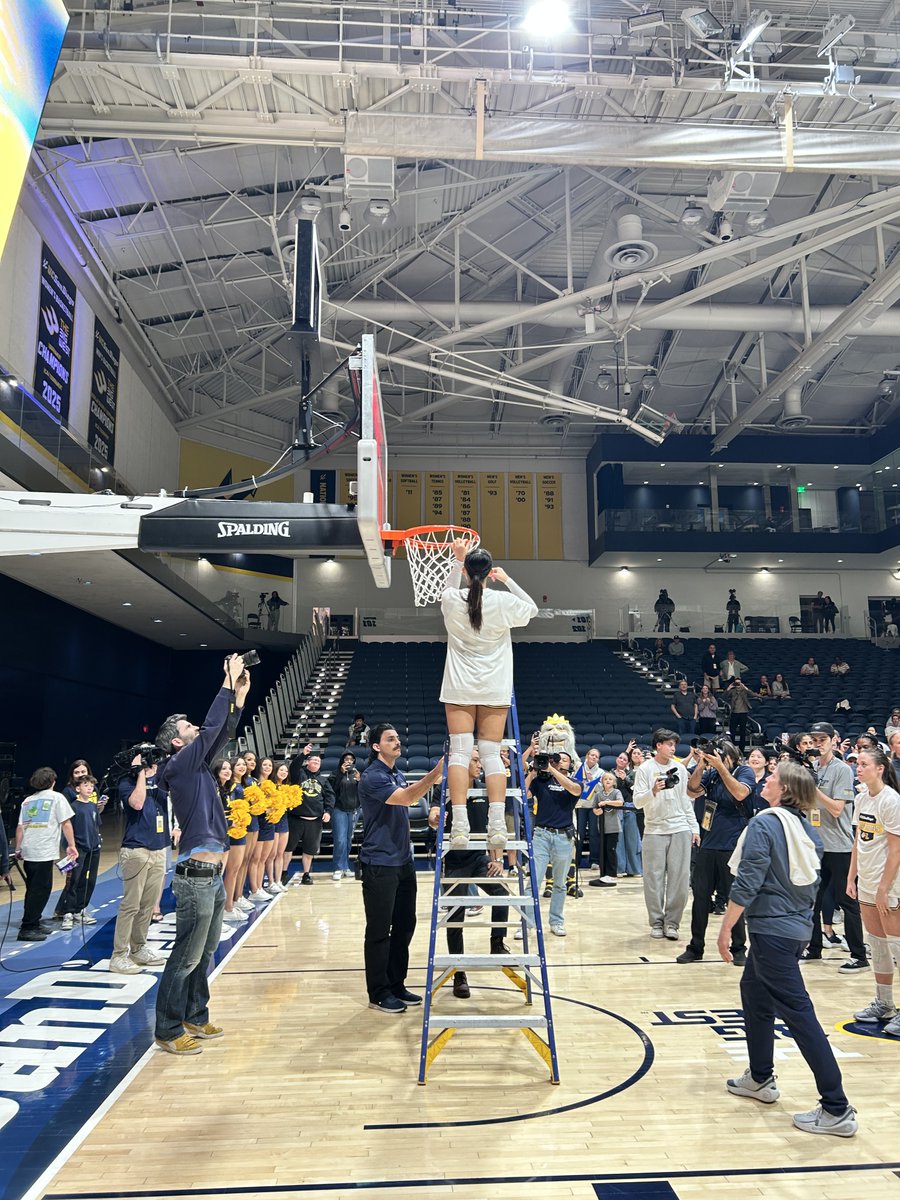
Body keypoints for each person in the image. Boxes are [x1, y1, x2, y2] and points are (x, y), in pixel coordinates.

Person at [719, 760, 858, 1139]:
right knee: (754, 993)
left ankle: (836, 1107)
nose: (766, 779)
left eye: (773, 778)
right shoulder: (805, 828)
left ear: (785, 790)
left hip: (772, 932)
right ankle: (760, 1077)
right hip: (794, 929)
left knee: (799, 1014)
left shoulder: (766, 822)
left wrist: (727, 926)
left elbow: (748, 880)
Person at [152, 655, 250, 1055]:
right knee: (185, 956)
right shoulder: (180, 763)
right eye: (188, 727)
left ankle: (195, 1012)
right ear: (178, 741)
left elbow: (220, 732)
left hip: (210, 876)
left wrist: (239, 696)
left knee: (204, 952)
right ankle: (168, 1029)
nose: (197, 729)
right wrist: (226, 682)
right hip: (193, 874)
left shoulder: (199, 766)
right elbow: (213, 728)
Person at [440, 540, 538, 850]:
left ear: (468, 572)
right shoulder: (502, 601)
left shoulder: (453, 600)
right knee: (492, 755)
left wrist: (457, 561)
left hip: (459, 685)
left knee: (459, 753)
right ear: (488, 572)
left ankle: (459, 825)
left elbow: (446, 590)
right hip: (494, 686)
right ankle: (497, 826)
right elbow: (533, 609)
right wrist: (507, 579)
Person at [359, 724, 444, 1013]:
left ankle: (396, 984)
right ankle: (378, 993)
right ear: (375, 746)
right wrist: (434, 775)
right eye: (390, 739)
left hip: (403, 861)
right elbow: (408, 798)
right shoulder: (372, 776)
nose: (397, 742)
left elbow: (402, 808)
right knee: (380, 931)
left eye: (397, 738)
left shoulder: (395, 772)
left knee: (406, 924)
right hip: (379, 863)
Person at [681, 740, 756, 964]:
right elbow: (691, 791)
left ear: (727, 755)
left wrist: (721, 767)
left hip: (733, 846)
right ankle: (696, 947)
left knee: (735, 898)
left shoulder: (744, 771)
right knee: (700, 898)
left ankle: (739, 948)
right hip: (708, 843)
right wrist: (702, 766)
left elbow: (741, 793)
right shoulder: (711, 773)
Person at [801, 722, 869, 971]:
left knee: (847, 901)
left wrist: (813, 788)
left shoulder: (842, 769)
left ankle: (859, 956)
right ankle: (814, 948)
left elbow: (837, 808)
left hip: (839, 846)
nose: (817, 744)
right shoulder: (813, 768)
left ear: (832, 741)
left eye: (821, 739)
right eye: (813, 740)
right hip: (815, 846)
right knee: (813, 901)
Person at [428, 795, 510, 999]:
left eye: (478, 760)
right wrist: (435, 818)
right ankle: (459, 974)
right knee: (456, 916)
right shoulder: (445, 787)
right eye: (474, 760)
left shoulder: (485, 789)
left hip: (478, 858)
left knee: (502, 893)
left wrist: (497, 859)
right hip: (454, 862)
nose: (478, 764)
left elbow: (494, 827)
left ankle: (497, 943)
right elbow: (432, 818)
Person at [847, 748, 900, 1038]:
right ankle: (885, 1003)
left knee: (896, 946)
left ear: (880, 769)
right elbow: (858, 840)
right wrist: (851, 875)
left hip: (889, 883)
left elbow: (896, 849)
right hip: (866, 880)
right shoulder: (860, 798)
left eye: (864, 764)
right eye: (857, 763)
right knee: (877, 945)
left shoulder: (892, 801)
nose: (858, 768)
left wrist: (883, 887)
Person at [633, 729, 700, 940]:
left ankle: (673, 923)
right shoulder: (644, 769)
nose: (673, 748)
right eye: (669, 744)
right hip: (654, 829)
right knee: (653, 879)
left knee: (680, 879)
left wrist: (694, 827)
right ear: (658, 745)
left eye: (674, 745)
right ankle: (656, 922)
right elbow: (637, 802)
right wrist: (653, 790)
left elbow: (686, 802)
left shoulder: (679, 768)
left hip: (680, 827)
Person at [111, 752, 169, 973]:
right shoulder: (127, 782)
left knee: (148, 904)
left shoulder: (162, 781)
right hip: (136, 849)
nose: (151, 764)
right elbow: (136, 803)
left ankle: (139, 947)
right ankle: (118, 956)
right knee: (131, 905)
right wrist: (139, 774)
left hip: (159, 848)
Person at [14, 767, 78, 941]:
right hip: (42, 851)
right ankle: (27, 927)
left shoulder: (27, 801)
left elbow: (20, 827)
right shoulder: (57, 798)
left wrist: (18, 849)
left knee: (33, 888)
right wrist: (71, 845)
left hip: (28, 850)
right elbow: (66, 823)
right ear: (52, 782)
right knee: (41, 890)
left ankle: (33, 921)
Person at [525, 749, 582, 935]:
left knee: (559, 883)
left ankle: (556, 921)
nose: (561, 761)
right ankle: (527, 923)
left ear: (570, 764)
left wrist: (552, 769)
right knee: (533, 881)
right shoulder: (541, 781)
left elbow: (575, 790)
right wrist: (532, 773)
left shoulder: (574, 782)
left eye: (565, 760)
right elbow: (523, 794)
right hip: (541, 834)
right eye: (558, 759)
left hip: (563, 837)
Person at [59, 774, 103, 931]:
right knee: (74, 880)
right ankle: (68, 912)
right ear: (78, 788)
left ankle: (81, 909)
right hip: (79, 850)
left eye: (91, 785)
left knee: (90, 880)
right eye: (86, 785)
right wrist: (70, 847)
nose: (90, 787)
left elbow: (96, 825)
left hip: (94, 848)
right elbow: (67, 828)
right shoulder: (73, 806)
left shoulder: (92, 806)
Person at [286, 750, 334, 885]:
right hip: (296, 818)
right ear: (307, 762)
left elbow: (330, 797)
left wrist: (328, 811)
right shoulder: (299, 774)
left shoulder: (323, 780)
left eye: (318, 761)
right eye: (314, 760)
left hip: (314, 821)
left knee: (309, 850)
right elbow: (293, 767)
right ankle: (283, 872)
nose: (316, 763)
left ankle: (306, 874)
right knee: (288, 848)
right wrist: (302, 754)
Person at [589, 772, 624, 886]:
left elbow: (620, 802)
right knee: (603, 850)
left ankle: (612, 874)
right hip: (603, 827)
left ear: (614, 782)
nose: (608, 781)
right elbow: (595, 808)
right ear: (602, 781)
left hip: (613, 827)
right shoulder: (598, 794)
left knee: (611, 850)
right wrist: (597, 811)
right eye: (605, 779)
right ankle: (604, 874)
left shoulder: (616, 792)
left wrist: (607, 802)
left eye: (610, 779)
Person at [330, 752, 360, 880]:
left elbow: (363, 792)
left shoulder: (356, 774)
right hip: (339, 809)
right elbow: (331, 790)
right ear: (342, 760)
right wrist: (341, 774)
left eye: (351, 759)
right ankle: (338, 867)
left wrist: (360, 781)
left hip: (353, 810)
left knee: (348, 840)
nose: (349, 761)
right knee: (340, 839)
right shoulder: (335, 773)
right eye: (346, 759)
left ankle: (345, 866)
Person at [572, 747, 602, 871]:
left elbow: (601, 789)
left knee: (594, 834)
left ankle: (594, 860)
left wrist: (592, 781)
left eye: (596, 756)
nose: (594, 757)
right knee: (579, 833)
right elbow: (573, 784)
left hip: (593, 806)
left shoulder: (601, 772)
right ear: (587, 756)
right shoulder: (578, 769)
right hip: (580, 805)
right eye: (592, 755)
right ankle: (576, 860)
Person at [614, 750, 642, 877]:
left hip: (630, 808)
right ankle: (620, 868)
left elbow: (635, 788)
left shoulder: (632, 773)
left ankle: (635, 869)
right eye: (620, 758)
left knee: (632, 839)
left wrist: (625, 778)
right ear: (616, 759)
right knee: (619, 840)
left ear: (627, 762)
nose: (622, 760)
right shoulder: (609, 773)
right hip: (615, 809)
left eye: (625, 759)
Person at [726, 678, 758, 755]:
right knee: (732, 732)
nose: (738, 685)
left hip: (743, 713)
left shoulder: (744, 691)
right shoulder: (732, 691)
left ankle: (742, 750)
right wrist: (729, 688)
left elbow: (753, 694)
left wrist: (745, 688)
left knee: (742, 732)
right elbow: (725, 696)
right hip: (734, 713)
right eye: (736, 683)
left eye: (739, 683)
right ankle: (732, 748)